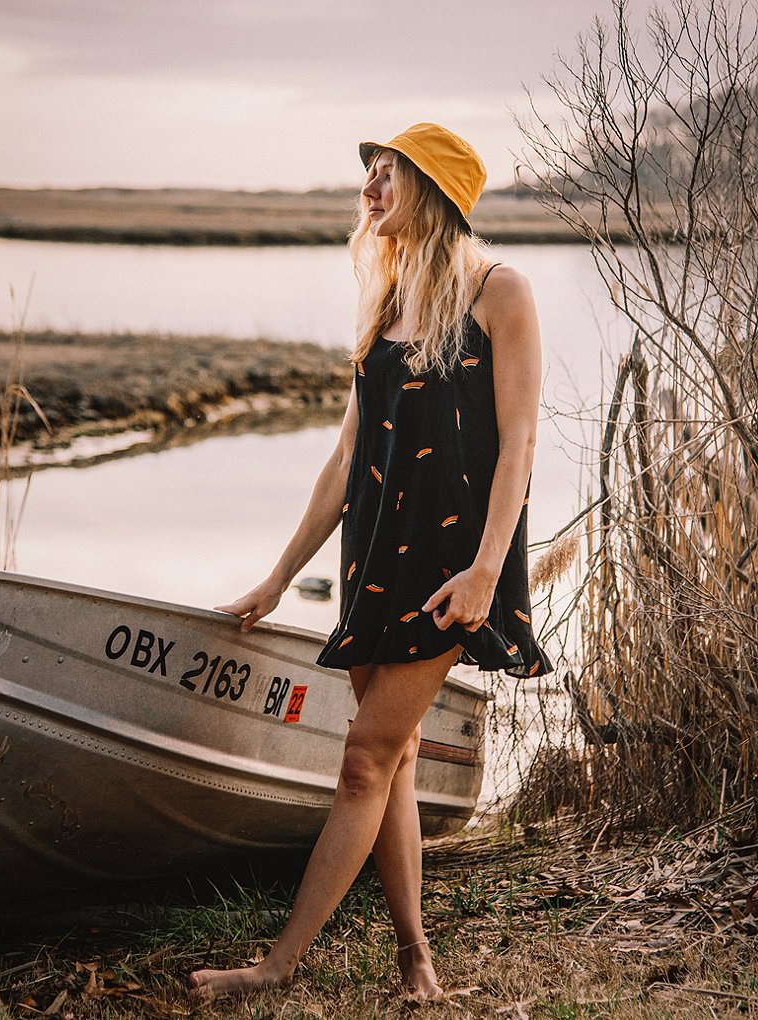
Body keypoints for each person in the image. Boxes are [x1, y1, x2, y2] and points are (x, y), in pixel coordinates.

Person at [189, 122, 552, 1004]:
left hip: (450, 568)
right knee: (387, 764)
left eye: (389, 172)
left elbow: (520, 446)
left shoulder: (502, 292)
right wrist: (280, 577)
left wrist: (484, 573)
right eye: (371, 172)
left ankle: (276, 969)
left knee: (361, 761)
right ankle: (417, 963)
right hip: (375, 557)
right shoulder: (388, 301)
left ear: (433, 190)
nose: (372, 186)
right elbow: (348, 462)